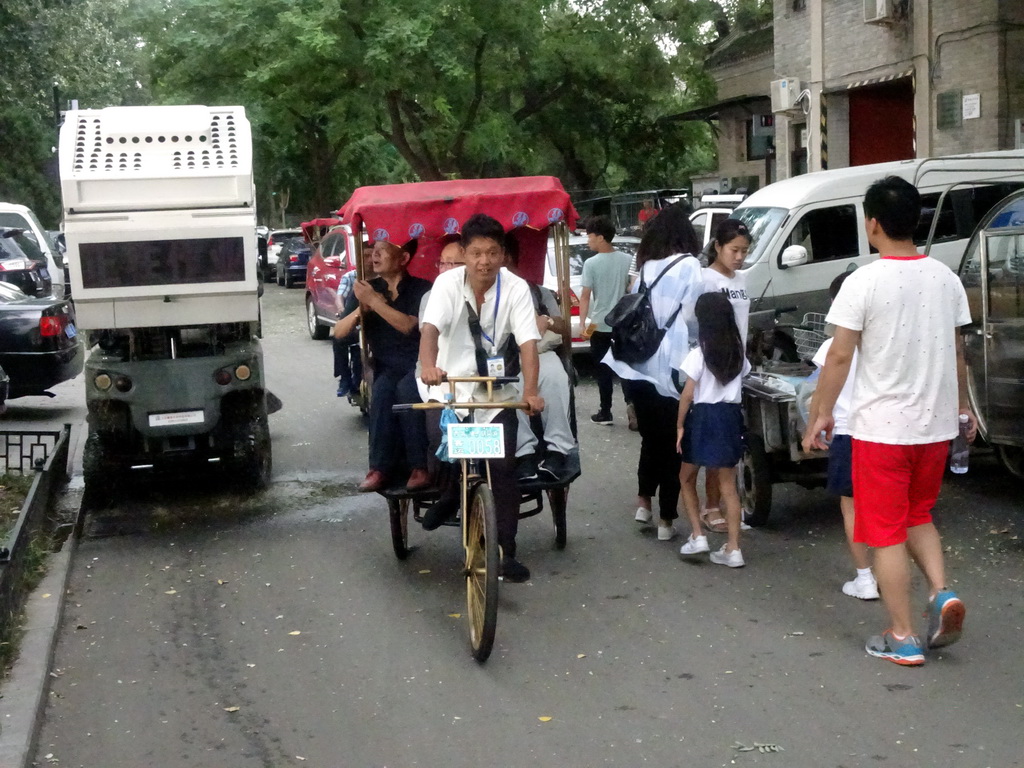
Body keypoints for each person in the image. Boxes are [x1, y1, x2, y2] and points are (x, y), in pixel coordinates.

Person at [802, 175, 974, 666]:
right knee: (919, 515)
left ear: (872, 224)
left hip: (882, 431)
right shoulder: (946, 279)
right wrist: (964, 408)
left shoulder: (863, 282)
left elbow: (838, 359)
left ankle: (901, 636)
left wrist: (821, 414)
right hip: (934, 427)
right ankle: (941, 593)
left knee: (885, 533)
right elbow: (958, 353)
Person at [418, 214, 545, 583]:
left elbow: (528, 346)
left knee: (503, 467)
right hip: (447, 386)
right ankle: (451, 494)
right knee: (442, 446)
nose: (484, 261)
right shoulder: (446, 285)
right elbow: (429, 331)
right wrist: (429, 366)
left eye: (492, 253)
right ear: (464, 254)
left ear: (503, 254)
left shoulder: (516, 287)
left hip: (494, 390)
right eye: (476, 253)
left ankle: (505, 551)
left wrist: (532, 392)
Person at [603, 204, 704, 540]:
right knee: (674, 443)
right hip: (674, 366)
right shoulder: (690, 266)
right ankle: (666, 520)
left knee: (650, 438)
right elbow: (693, 316)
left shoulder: (647, 267)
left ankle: (644, 502)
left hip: (639, 363)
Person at [335, 239, 432, 493]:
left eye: (384, 250)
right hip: (386, 365)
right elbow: (339, 332)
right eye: (374, 250)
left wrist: (376, 303)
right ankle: (379, 468)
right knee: (382, 393)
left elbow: (408, 325)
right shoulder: (366, 289)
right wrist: (360, 311)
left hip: (419, 364)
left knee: (408, 392)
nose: (375, 254)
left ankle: (420, 466)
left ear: (404, 258)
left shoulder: (422, 289)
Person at [810, 271, 878, 600]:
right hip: (882, 433)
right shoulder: (881, 343)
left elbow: (820, 393)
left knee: (850, 507)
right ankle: (891, 568)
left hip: (847, 434)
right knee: (884, 508)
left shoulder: (831, 346)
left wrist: (811, 428)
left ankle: (865, 577)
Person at [677, 292, 751, 567]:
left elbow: (687, 395)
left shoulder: (699, 354)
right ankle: (734, 548)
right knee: (728, 485)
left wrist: (680, 425)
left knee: (686, 477)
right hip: (730, 417)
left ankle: (698, 535)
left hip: (703, 416)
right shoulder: (739, 355)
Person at [503, 233, 576, 482]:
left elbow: (564, 326)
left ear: (508, 257)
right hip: (503, 358)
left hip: (540, 351)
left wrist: (546, 320)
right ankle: (523, 453)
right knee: (509, 387)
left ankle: (558, 450)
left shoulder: (535, 290)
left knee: (555, 377)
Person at [578, 215, 633, 427]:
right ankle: (632, 406)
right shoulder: (627, 260)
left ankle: (606, 411)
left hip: (598, 322)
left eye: (589, 237)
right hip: (624, 323)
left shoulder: (591, 264)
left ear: (601, 237)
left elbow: (585, 296)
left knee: (602, 368)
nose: (588, 241)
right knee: (626, 367)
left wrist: (583, 324)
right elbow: (631, 289)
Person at [332, 245, 371, 398]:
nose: (369, 260)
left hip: (373, 326)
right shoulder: (351, 277)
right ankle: (344, 377)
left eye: (371, 256)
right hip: (355, 322)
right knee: (338, 338)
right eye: (365, 256)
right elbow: (340, 296)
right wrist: (342, 310)